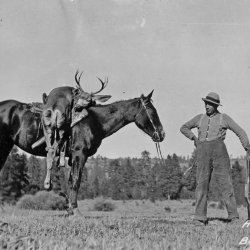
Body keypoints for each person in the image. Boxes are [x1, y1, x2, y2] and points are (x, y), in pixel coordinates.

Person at [180, 92, 250, 225]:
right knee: (201, 184)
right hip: (202, 154)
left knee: (226, 184)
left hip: (220, 153)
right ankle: (200, 217)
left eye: (210, 104)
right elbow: (184, 127)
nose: (207, 106)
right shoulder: (199, 118)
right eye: (205, 103)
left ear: (216, 106)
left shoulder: (224, 118)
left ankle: (233, 217)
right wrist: (194, 138)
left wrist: (247, 147)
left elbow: (240, 131)